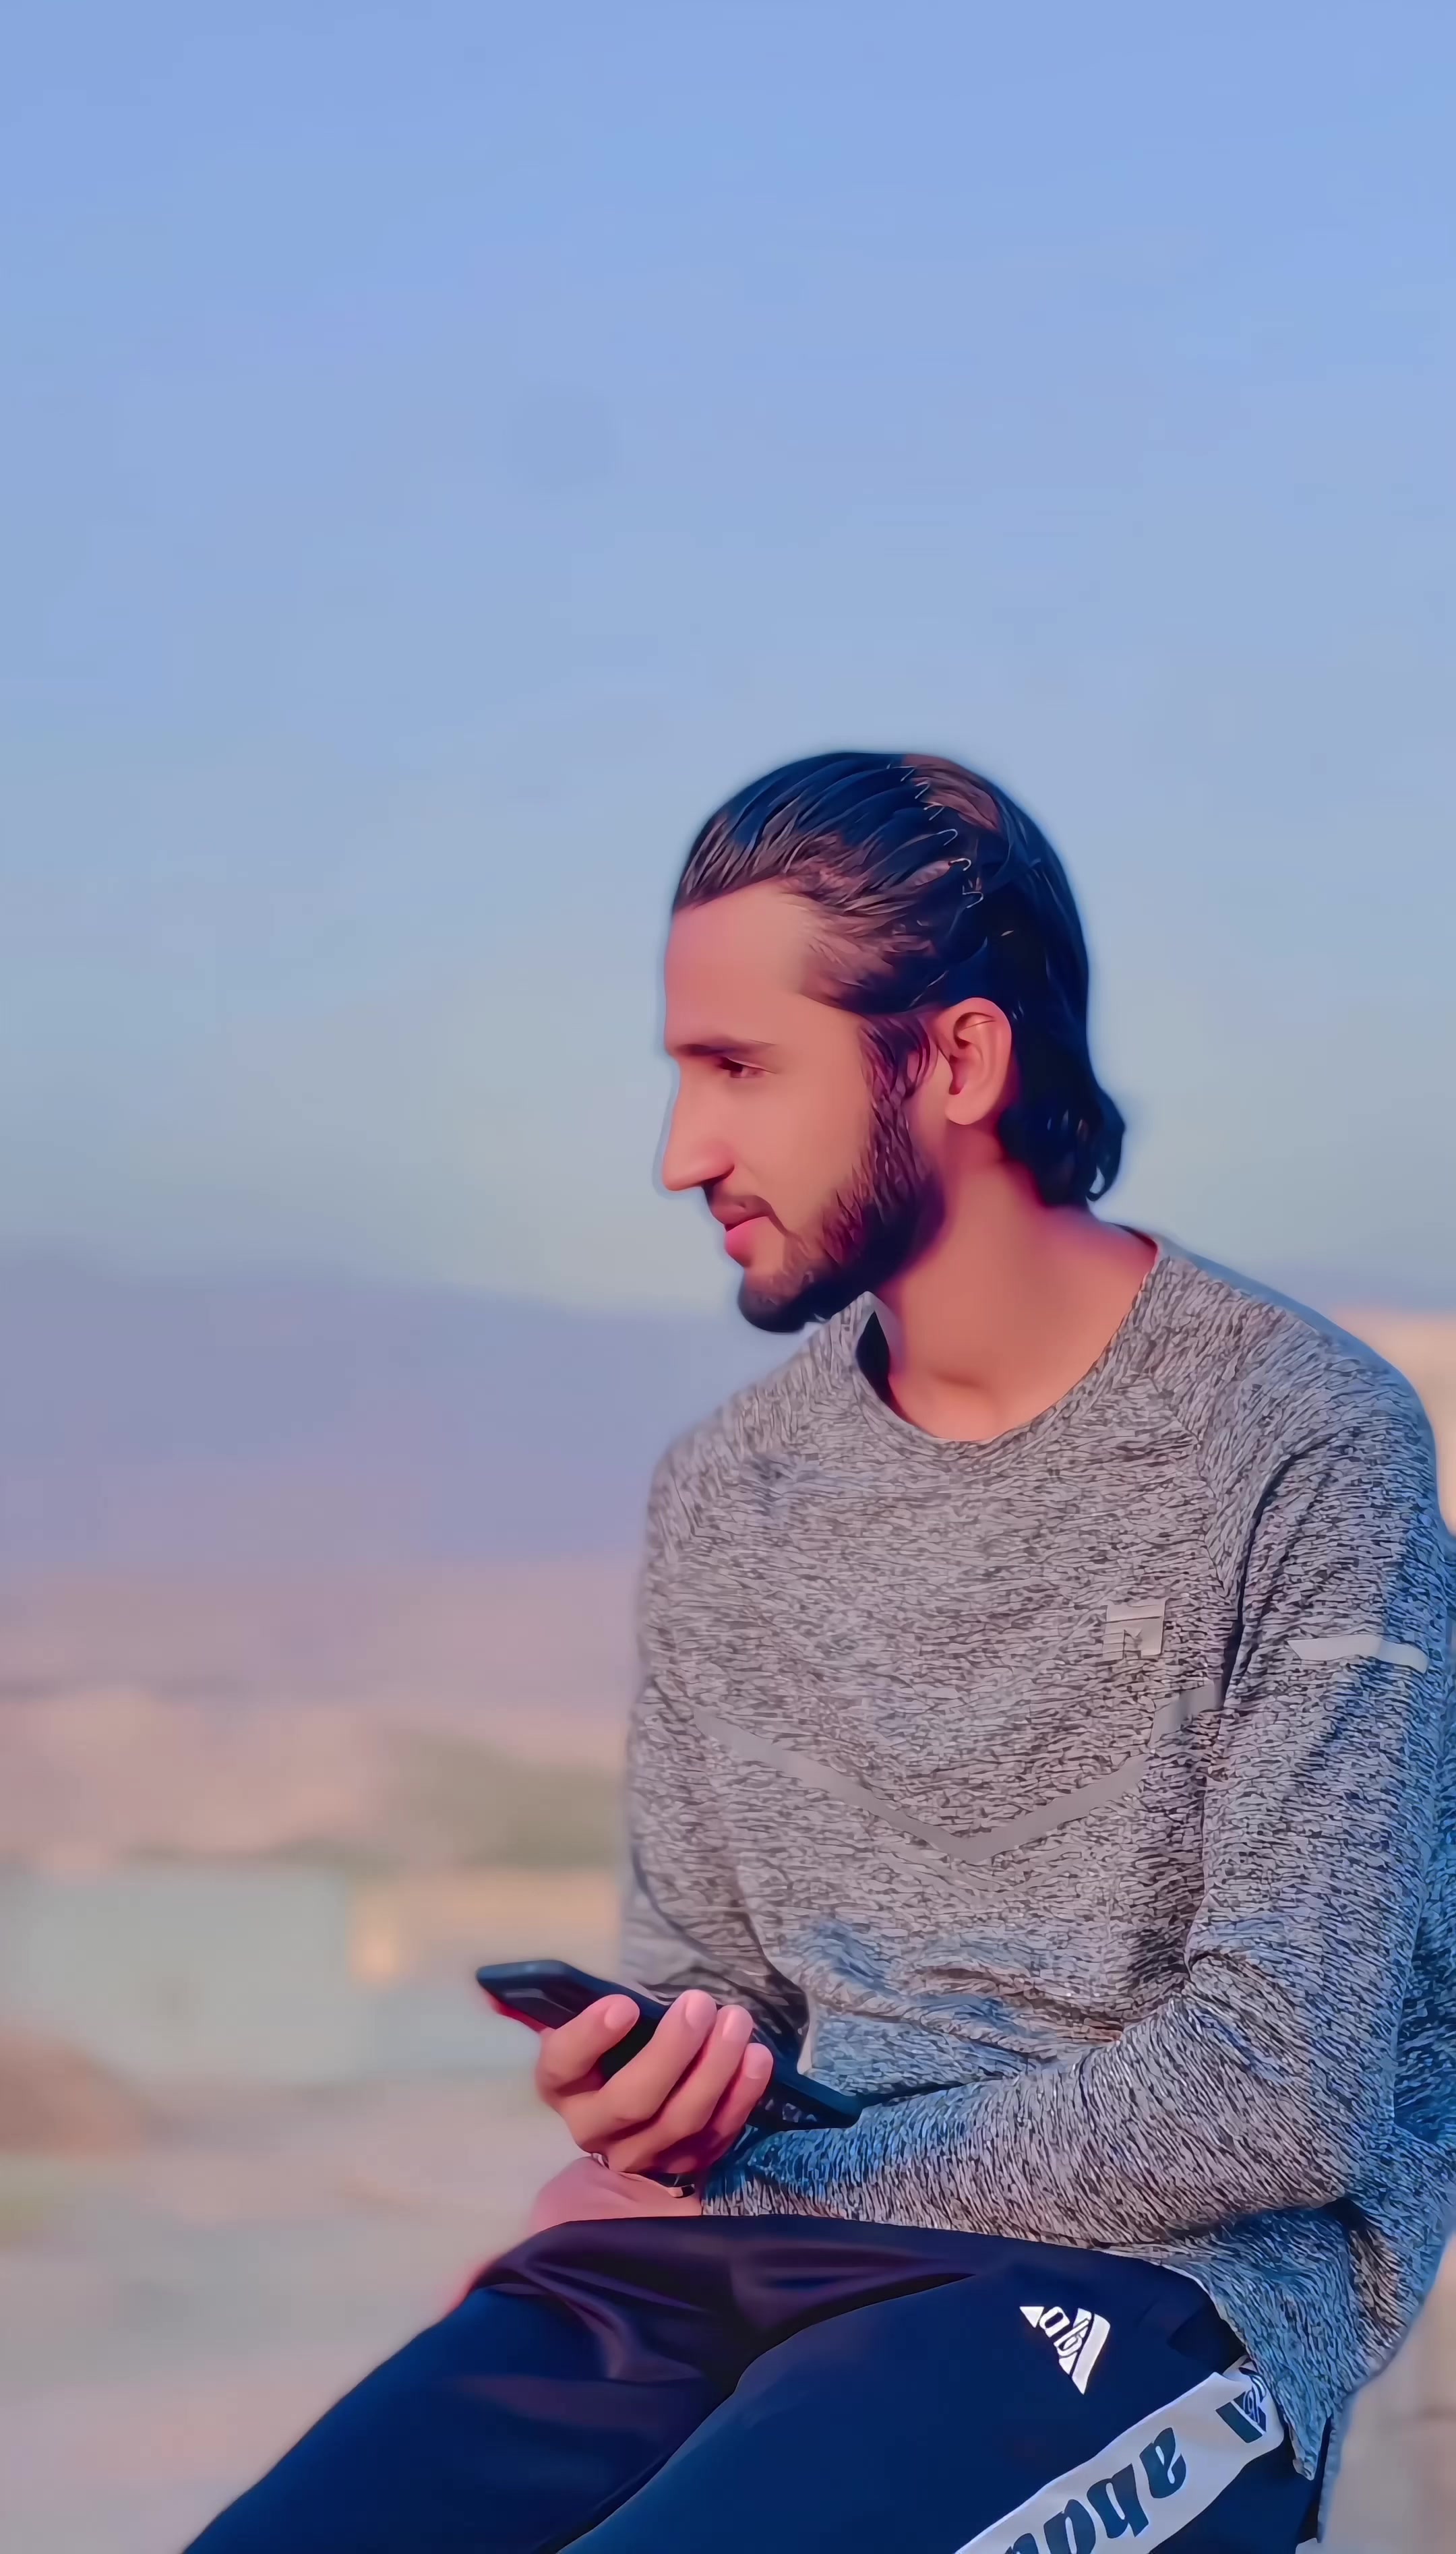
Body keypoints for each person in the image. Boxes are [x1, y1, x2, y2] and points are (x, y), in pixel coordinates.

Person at [189, 753, 1455, 2553]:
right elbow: (719, 1989)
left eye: (740, 1069)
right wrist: (650, 2098)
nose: (680, 1153)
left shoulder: (1304, 1439)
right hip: (740, 2262)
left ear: (956, 1060)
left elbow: (1280, 2094)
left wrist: (778, 2187)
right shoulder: (730, 1490)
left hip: (1148, 2294)